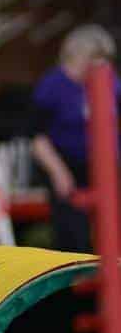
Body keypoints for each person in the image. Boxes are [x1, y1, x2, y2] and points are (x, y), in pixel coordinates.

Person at [31, 24, 120, 253]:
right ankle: (76, 283)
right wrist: (59, 172)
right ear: (77, 56)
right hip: (67, 167)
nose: (101, 65)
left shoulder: (110, 82)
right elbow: (37, 137)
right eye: (95, 59)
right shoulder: (52, 86)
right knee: (74, 237)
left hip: (106, 166)